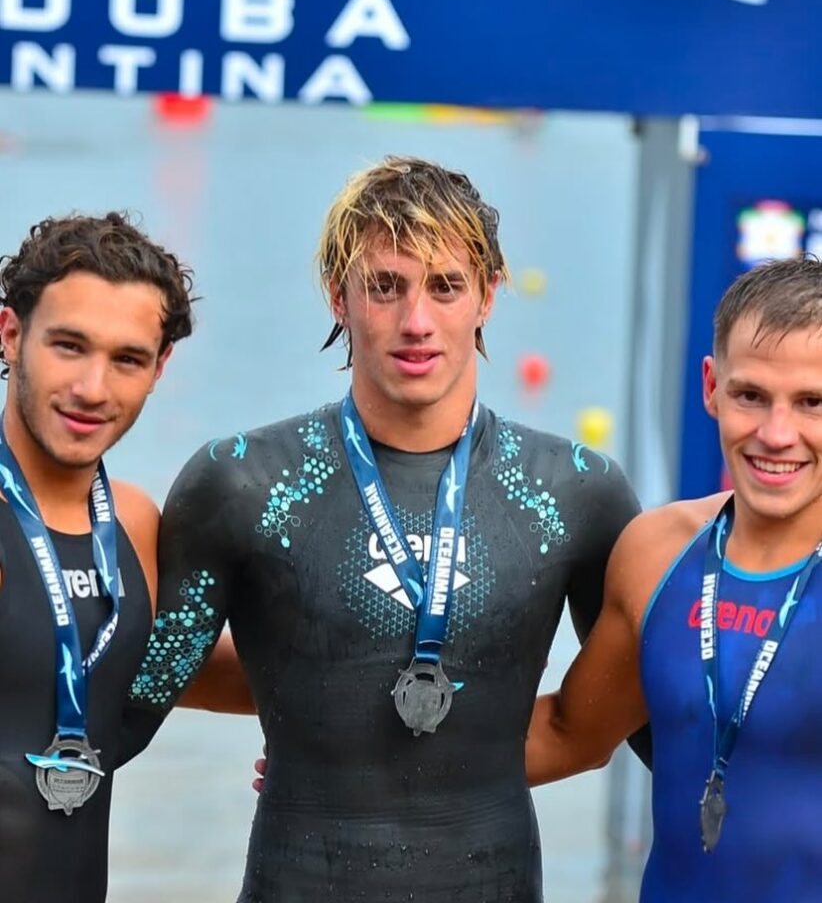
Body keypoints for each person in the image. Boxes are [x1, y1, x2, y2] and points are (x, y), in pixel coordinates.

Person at [121, 155, 642, 902]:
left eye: (446, 286)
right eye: (385, 286)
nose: (416, 322)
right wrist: (315, 728)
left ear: (489, 295)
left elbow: (606, 727)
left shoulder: (576, 492)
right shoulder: (239, 482)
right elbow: (143, 681)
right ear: (339, 296)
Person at [526, 256, 822, 902]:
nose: (777, 434)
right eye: (751, 396)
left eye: (812, 403)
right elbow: (569, 735)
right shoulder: (657, 552)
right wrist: (339, 757)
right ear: (711, 386)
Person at [0, 212, 196, 903]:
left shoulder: (135, 524)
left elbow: (156, 661)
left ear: (159, 368)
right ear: (10, 334)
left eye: (127, 359)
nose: (92, 388)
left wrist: (321, 735)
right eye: (69, 346)